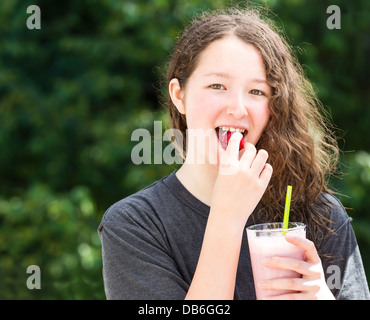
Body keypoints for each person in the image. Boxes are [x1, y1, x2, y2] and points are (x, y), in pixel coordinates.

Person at [98, 7, 370, 300]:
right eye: (218, 86)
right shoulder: (134, 225)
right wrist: (227, 215)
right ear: (179, 95)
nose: (238, 109)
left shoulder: (319, 214)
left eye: (257, 92)